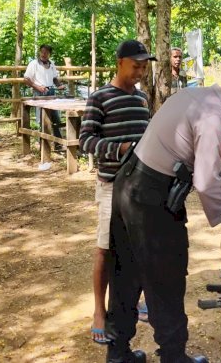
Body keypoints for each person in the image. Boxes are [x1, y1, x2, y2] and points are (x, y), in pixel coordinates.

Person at [105, 69, 221, 363]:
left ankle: (117, 353)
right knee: (166, 278)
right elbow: (205, 183)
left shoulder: (195, 96)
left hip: (127, 186)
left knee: (126, 274)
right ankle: (173, 356)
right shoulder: (214, 116)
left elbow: (184, 147)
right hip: (151, 200)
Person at [80, 40, 154, 346]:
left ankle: (133, 302)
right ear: (119, 62)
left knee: (140, 247)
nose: (140, 71)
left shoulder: (142, 100)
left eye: (144, 66)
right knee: (106, 249)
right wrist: (120, 149)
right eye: (135, 65)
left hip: (140, 187)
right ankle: (99, 312)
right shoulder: (99, 98)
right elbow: (85, 141)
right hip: (111, 185)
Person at [24, 44, 65, 144]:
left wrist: (59, 85)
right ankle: (42, 144)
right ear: (39, 52)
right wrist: (38, 87)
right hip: (39, 93)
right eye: (42, 52)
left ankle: (58, 143)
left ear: (49, 54)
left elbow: (54, 78)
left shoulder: (52, 64)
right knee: (41, 119)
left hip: (51, 92)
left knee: (56, 118)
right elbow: (26, 79)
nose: (43, 54)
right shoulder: (33, 64)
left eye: (46, 52)